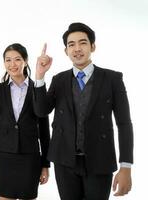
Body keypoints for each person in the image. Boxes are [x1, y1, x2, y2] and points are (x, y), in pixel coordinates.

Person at [34, 22, 133, 200]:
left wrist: (126, 166)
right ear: (66, 51)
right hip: (64, 161)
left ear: (92, 46)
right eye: (71, 44)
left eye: (83, 43)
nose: (77, 49)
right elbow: (41, 111)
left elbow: (124, 123)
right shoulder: (59, 80)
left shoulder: (112, 79)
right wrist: (40, 76)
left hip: (99, 159)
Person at [0, 43, 50, 200]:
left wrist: (45, 165)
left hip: (30, 158)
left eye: (17, 59)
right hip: (4, 157)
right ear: (4, 63)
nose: (12, 64)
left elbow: (44, 130)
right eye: (8, 60)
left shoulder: (37, 88)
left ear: (26, 61)